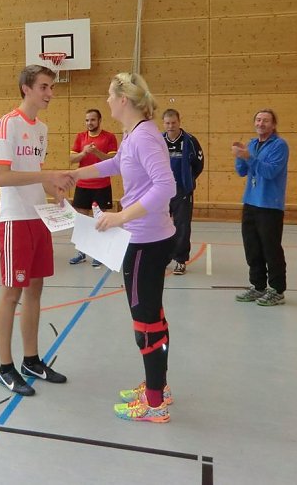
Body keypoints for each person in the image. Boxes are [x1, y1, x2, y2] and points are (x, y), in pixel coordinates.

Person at [68, 72, 176, 423]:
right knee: (151, 315)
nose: (107, 100)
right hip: (142, 237)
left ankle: (155, 403)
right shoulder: (134, 134)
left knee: (145, 320)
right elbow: (116, 164)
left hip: (146, 239)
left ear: (123, 100)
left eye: (110, 95)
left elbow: (165, 186)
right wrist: (74, 175)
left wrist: (120, 217)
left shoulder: (144, 136)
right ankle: (157, 386)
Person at [0, 65, 74, 397]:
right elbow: (2, 177)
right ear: (26, 88)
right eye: (44, 87)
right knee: (12, 294)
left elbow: (35, 172)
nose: (50, 93)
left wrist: (54, 190)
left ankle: (31, 360)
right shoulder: (7, 124)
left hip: (38, 218)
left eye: (51, 87)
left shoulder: (41, 128)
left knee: (35, 292)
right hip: (14, 220)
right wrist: (47, 175)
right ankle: (5, 367)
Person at [232, 109, 289, 307]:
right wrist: (240, 156)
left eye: (265, 120)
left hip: (269, 205)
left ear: (273, 125)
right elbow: (241, 172)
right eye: (258, 119)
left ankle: (277, 290)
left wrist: (249, 157)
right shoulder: (252, 144)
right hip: (250, 202)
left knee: (270, 249)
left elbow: (270, 171)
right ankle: (258, 286)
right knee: (252, 247)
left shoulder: (279, 145)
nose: (261, 123)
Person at [68, 108, 118, 267]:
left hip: (101, 185)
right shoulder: (80, 137)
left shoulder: (109, 137)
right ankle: (81, 252)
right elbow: (71, 158)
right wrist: (83, 153)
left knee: (100, 221)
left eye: (93, 120)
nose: (90, 123)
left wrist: (97, 152)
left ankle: (100, 254)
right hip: (83, 185)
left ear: (99, 120)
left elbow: (112, 159)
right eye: (87, 120)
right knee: (82, 221)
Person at [162, 109, 204, 275]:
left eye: (173, 123)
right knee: (161, 224)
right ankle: (163, 256)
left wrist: (189, 180)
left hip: (181, 190)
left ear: (179, 122)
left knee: (182, 225)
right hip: (161, 190)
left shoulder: (190, 141)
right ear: (163, 124)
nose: (171, 126)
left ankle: (180, 260)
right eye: (167, 123)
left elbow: (199, 165)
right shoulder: (158, 141)